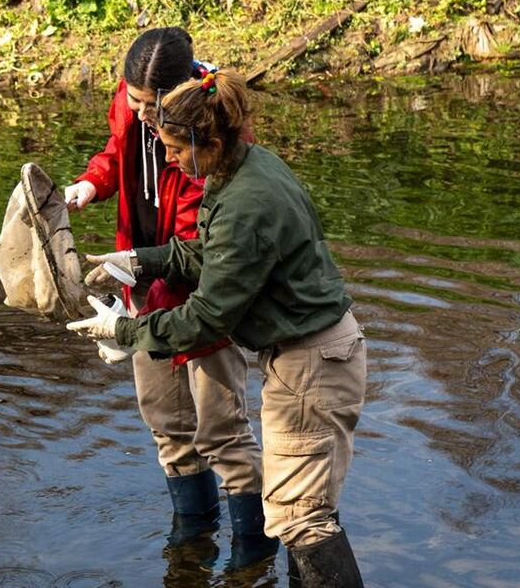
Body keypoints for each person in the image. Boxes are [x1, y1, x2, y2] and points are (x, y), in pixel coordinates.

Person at [67, 69, 367, 588]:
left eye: (176, 148)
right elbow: (210, 253)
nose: (168, 159)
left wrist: (127, 331)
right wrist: (140, 262)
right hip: (309, 356)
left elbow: (208, 316)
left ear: (207, 141)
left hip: (311, 362)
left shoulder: (244, 202)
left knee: (300, 517)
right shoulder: (247, 168)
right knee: (300, 509)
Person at [63, 27, 275, 566]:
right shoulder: (132, 103)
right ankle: (192, 540)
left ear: (175, 101)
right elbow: (117, 152)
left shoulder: (216, 129)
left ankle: (252, 555)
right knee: (166, 422)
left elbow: (202, 245)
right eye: (130, 100)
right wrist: (92, 183)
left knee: (222, 429)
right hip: (143, 280)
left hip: (204, 295)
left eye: (146, 106)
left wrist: (136, 298)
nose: (136, 113)